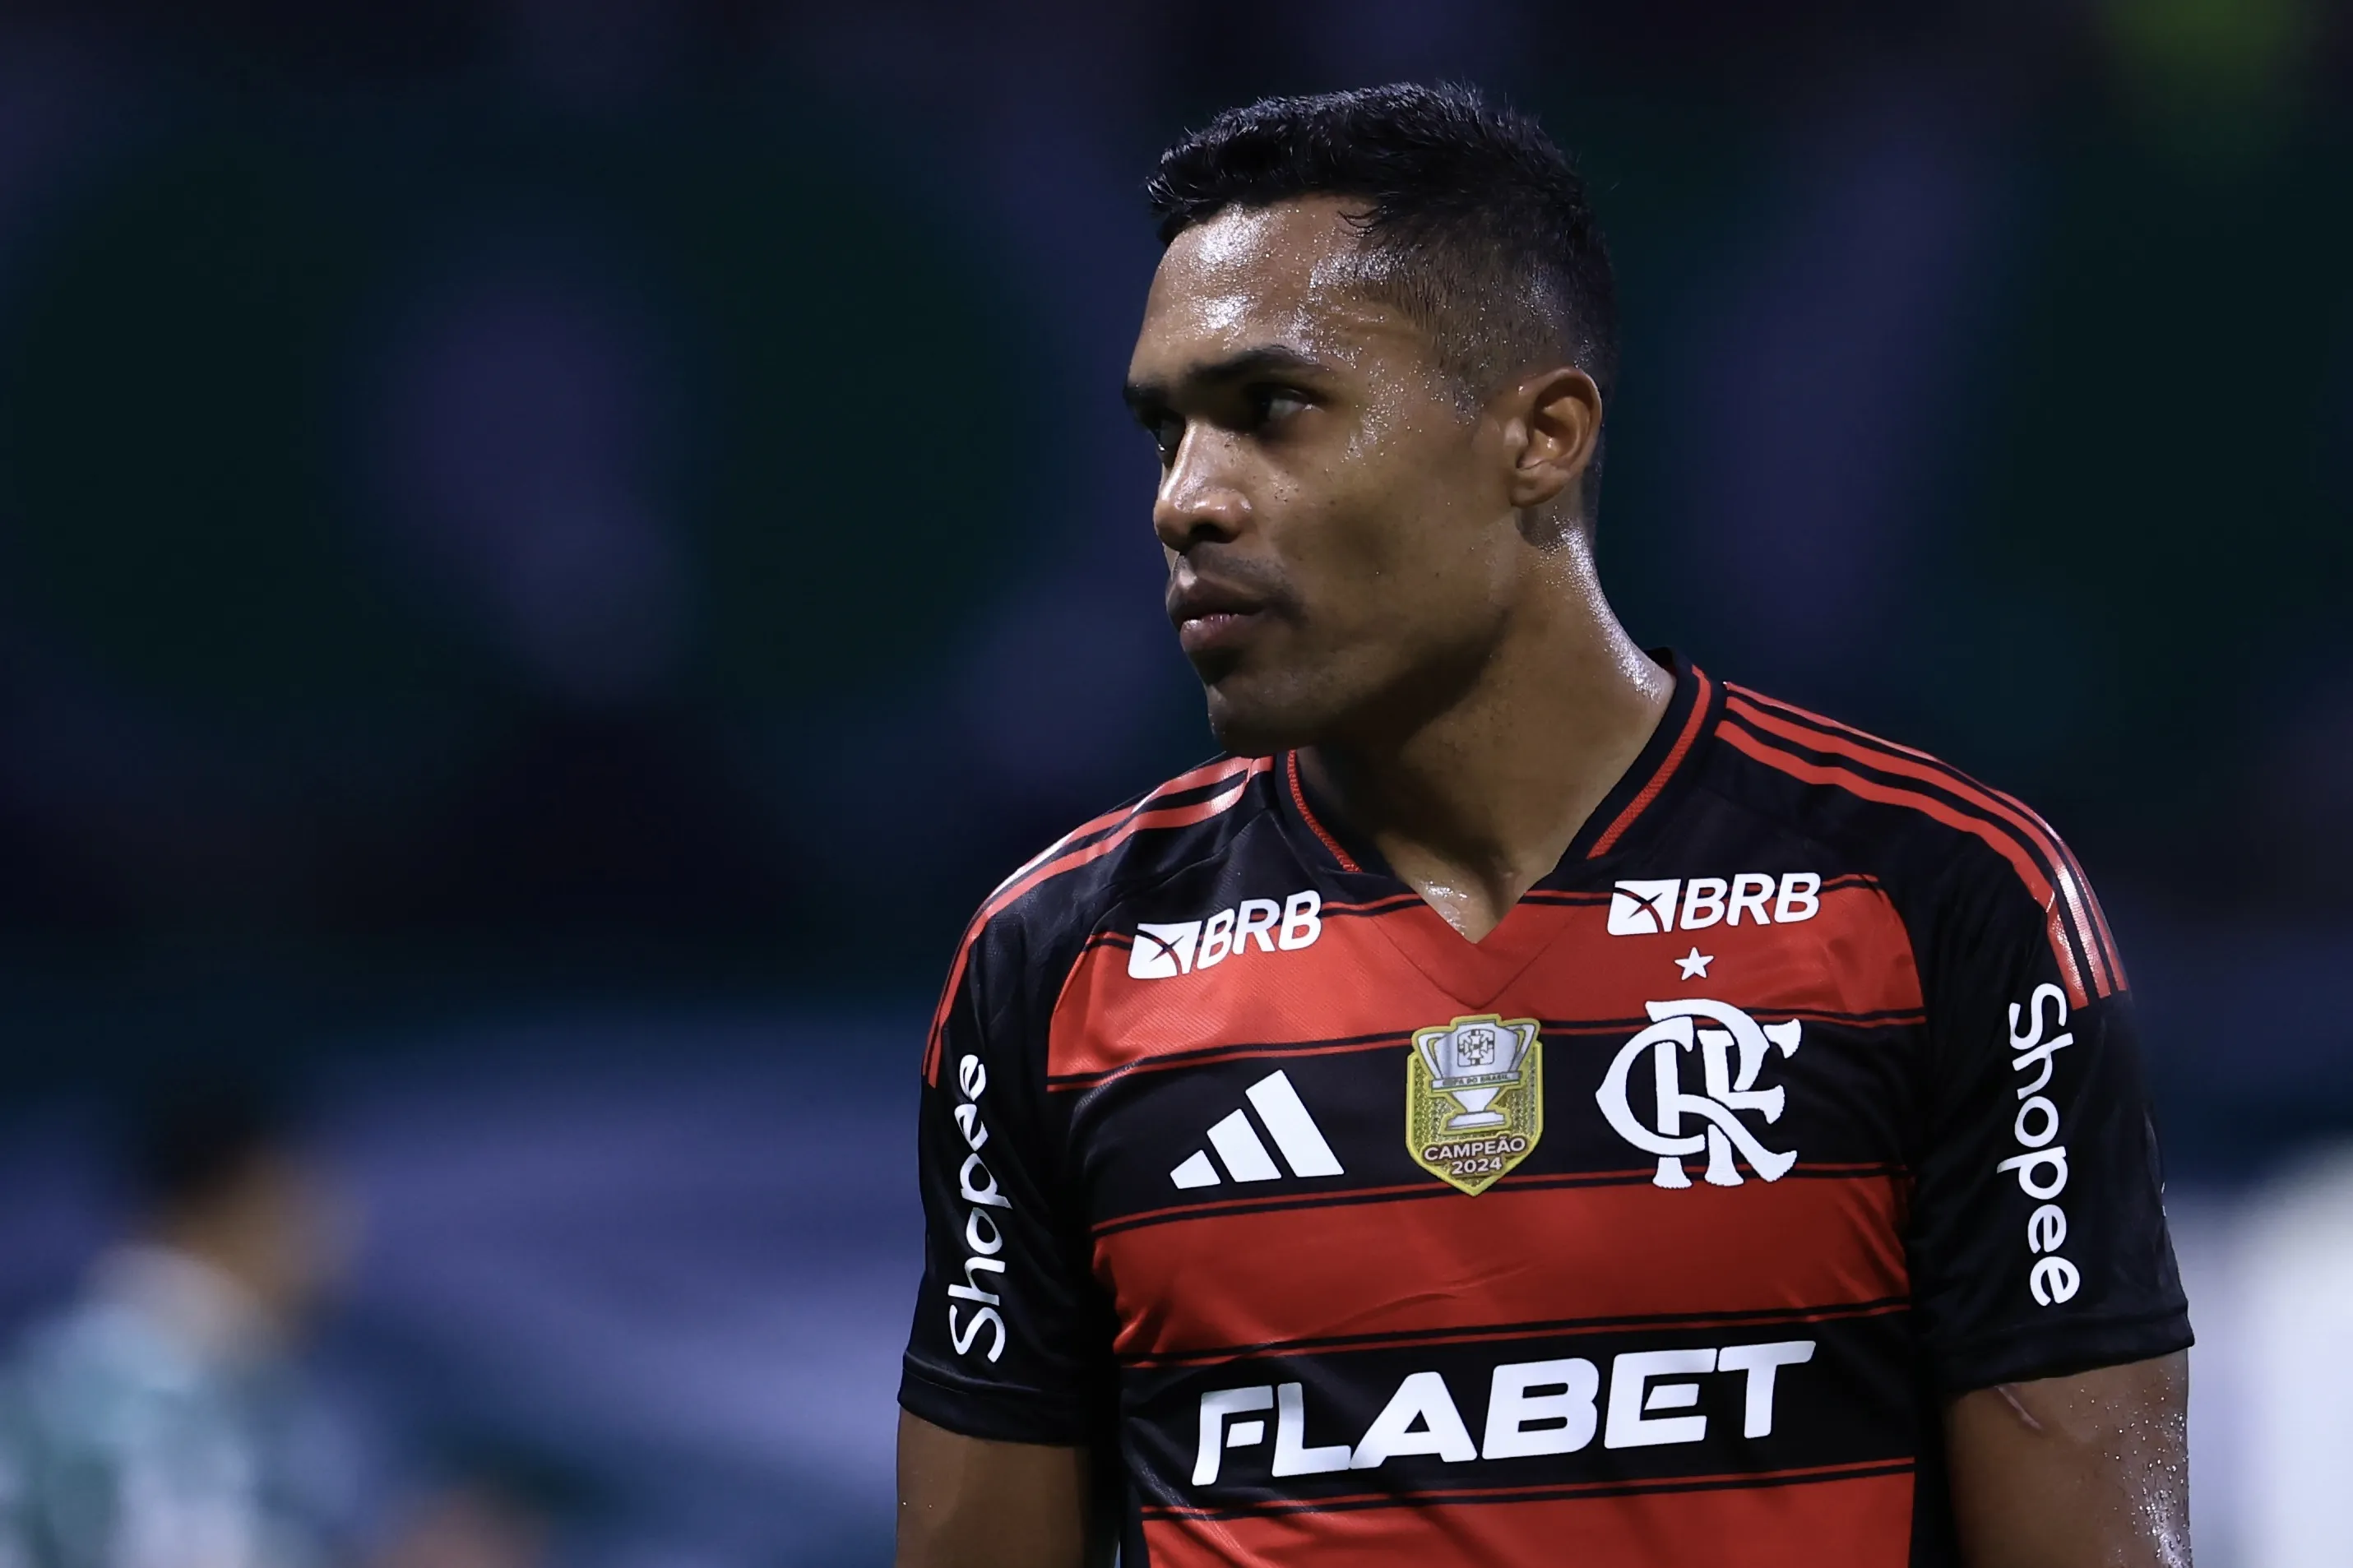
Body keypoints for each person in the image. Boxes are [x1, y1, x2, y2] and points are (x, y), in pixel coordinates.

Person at [894, 83, 2191, 1568]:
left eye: (1270, 410)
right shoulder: (1058, 964)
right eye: (1162, 431)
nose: (1184, 502)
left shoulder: (1940, 901)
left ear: (1541, 435)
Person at [0, 1082, 350, 1568]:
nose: (337, 1236)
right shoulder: (143, 1382)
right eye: (312, 1202)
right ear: (252, 1200)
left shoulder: (96, 1366)